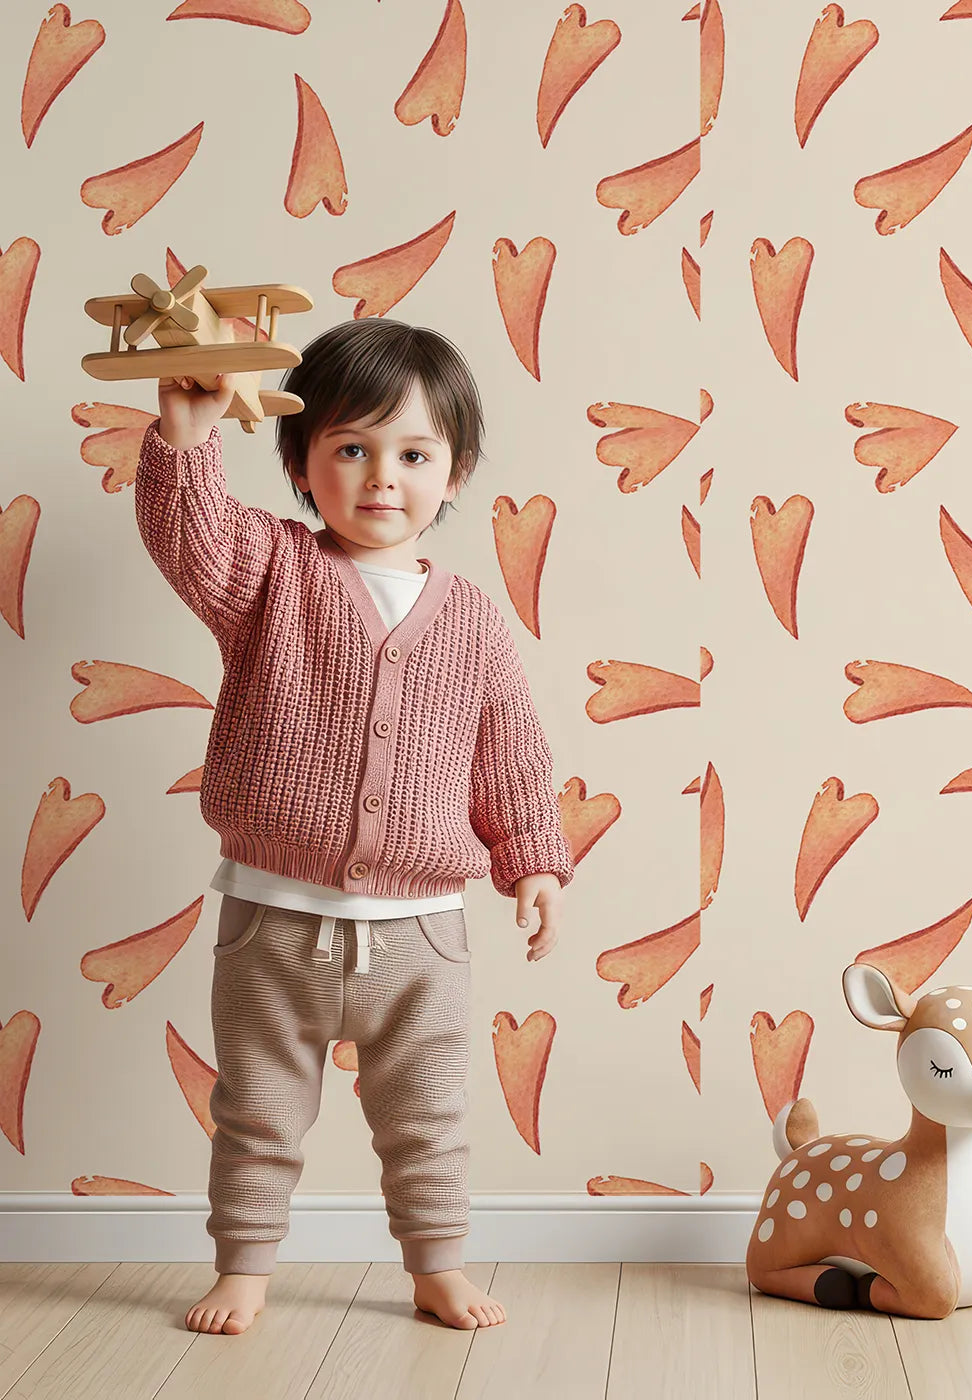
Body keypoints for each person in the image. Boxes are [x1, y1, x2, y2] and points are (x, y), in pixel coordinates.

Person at [132, 318, 575, 1336]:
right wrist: (188, 438)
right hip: (271, 919)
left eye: (413, 453)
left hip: (422, 930)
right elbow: (188, 539)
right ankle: (244, 1266)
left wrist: (532, 861)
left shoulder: (467, 617)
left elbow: (507, 746)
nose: (382, 477)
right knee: (258, 1109)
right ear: (300, 461)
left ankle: (436, 1265)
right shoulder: (269, 573)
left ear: (455, 469)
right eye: (351, 448)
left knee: (426, 1116)